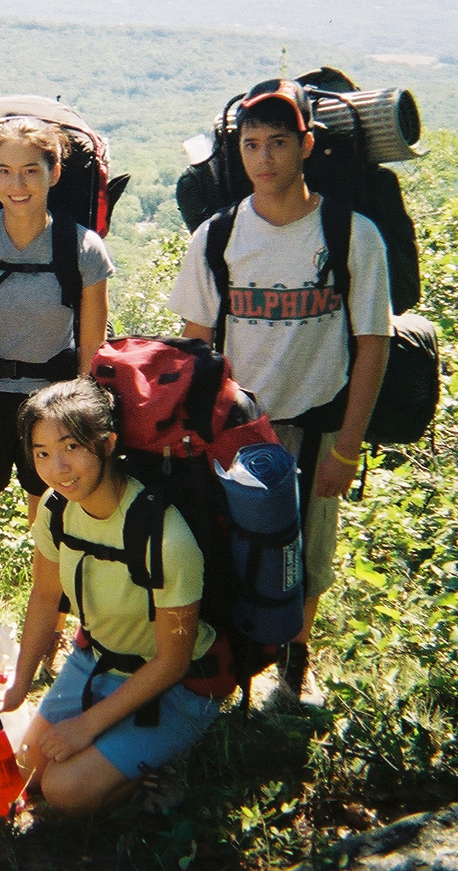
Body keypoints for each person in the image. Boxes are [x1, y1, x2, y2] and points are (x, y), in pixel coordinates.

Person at [167, 79, 391, 706]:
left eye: (278, 143)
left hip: (318, 424)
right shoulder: (216, 237)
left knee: (310, 555)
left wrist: (348, 445)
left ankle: (295, 660)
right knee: (229, 546)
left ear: (307, 146)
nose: (263, 159)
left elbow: (372, 342)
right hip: (237, 432)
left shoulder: (352, 235)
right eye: (251, 144)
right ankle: (229, 664)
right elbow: (196, 351)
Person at [0, 377, 220, 815]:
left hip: (175, 686)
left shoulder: (164, 535)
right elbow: (43, 596)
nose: (57, 468)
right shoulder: (56, 510)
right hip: (96, 661)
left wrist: (84, 727)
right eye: (41, 453)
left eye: (71, 447)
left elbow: (173, 661)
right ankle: (116, 754)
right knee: (26, 771)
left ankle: (167, 772)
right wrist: (20, 685)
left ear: (108, 443)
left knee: (64, 791)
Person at [0, 117, 113, 555]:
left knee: (53, 528)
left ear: (53, 173)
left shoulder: (83, 248)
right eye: (4, 171)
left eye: (31, 170)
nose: (17, 183)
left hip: (53, 403)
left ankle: (48, 619)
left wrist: (82, 421)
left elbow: (92, 345)